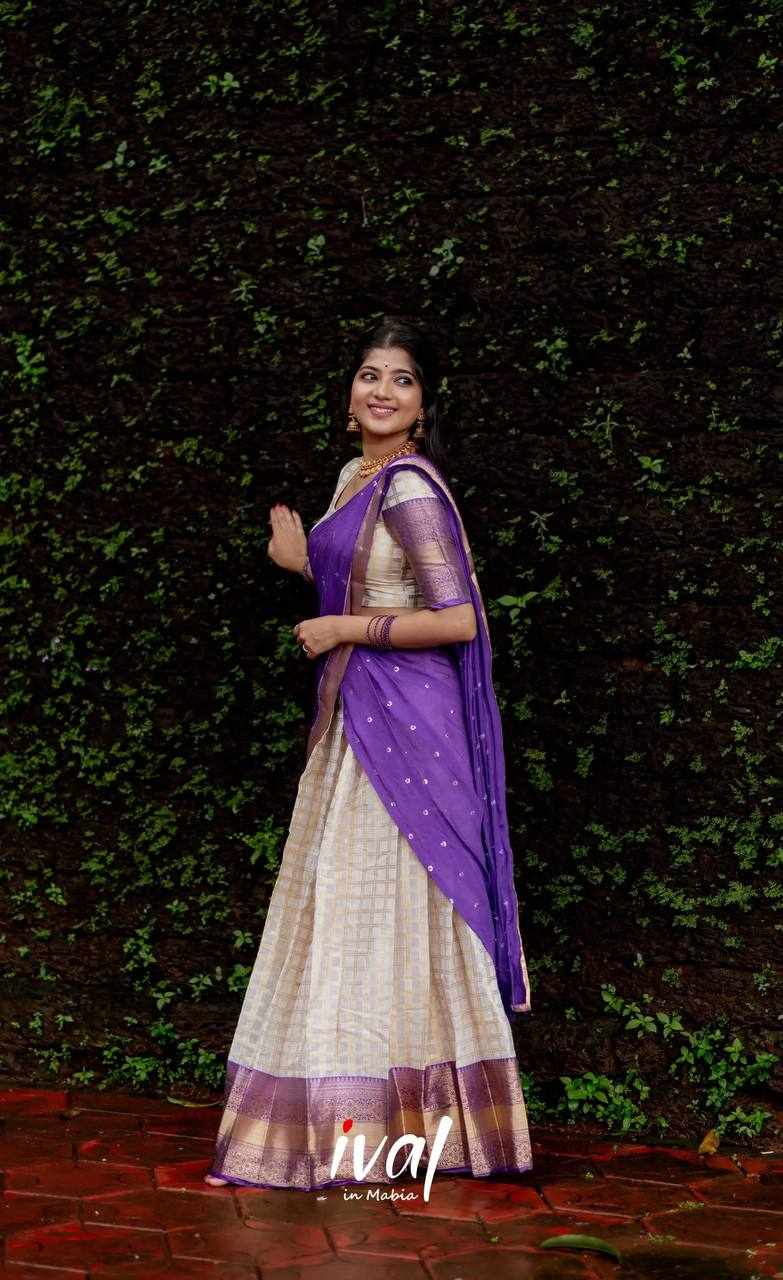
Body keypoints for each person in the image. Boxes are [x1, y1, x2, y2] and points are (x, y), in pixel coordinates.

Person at [205, 317, 533, 1192]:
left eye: (402, 379)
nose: (382, 391)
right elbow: (368, 581)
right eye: (369, 375)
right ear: (349, 396)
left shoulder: (410, 487)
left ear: (422, 407)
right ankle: (353, 1128)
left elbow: (457, 617)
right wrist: (301, 564)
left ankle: (390, 1134)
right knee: (346, 908)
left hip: (407, 724)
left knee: (386, 907)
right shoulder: (355, 477)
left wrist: (342, 626)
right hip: (358, 715)